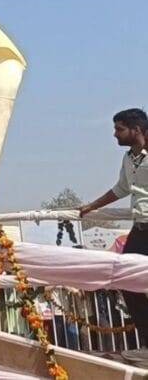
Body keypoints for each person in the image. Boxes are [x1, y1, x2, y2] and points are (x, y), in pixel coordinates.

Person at [79, 108, 148, 356]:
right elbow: (121, 189)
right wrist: (91, 207)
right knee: (127, 280)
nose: (115, 134)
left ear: (136, 130)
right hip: (141, 229)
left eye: (119, 129)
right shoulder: (130, 158)